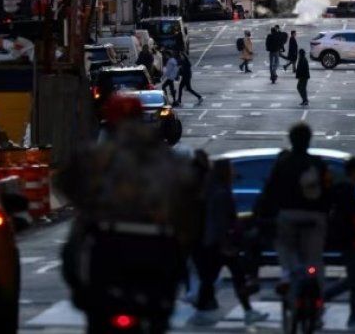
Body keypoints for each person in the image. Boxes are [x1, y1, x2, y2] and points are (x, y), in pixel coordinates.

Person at [57, 96, 200, 327]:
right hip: (157, 246)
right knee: (163, 299)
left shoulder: (96, 155)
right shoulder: (164, 156)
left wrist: (88, 203)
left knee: (74, 254)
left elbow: (66, 183)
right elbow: (187, 193)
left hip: (106, 244)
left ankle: (86, 299)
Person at [191, 160, 267, 326]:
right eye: (231, 170)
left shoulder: (216, 190)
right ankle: (246, 311)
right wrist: (226, 243)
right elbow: (220, 222)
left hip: (217, 242)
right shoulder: (221, 193)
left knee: (217, 278)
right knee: (224, 277)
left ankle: (203, 309)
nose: (234, 173)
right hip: (221, 244)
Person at [257, 124, 331, 285]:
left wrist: (264, 214)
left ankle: (289, 274)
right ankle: (315, 283)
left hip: (288, 214)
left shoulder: (283, 163)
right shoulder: (317, 163)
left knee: (286, 248)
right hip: (314, 214)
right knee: (314, 257)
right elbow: (329, 189)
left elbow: (270, 190)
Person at [324, 157, 355, 329]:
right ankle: (324, 298)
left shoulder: (343, 188)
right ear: (354, 171)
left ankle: (354, 313)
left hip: (349, 238)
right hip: (350, 239)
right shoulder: (346, 190)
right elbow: (352, 217)